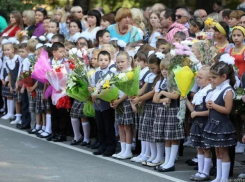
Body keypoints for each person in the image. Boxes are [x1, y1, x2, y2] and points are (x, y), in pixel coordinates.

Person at [204, 55, 237, 182]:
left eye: (214, 77)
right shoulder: (217, 89)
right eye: (211, 77)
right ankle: (218, 176)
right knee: (217, 152)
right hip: (214, 124)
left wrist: (214, 105)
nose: (211, 80)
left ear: (224, 77)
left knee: (223, 153)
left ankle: (224, 178)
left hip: (222, 125)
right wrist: (209, 106)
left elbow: (227, 110)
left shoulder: (228, 91)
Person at [131, 51, 161, 164]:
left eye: (153, 68)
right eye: (150, 68)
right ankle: (145, 153)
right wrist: (133, 93)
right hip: (146, 105)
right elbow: (143, 89)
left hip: (154, 106)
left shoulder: (159, 78)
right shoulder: (149, 75)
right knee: (145, 131)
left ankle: (154, 155)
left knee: (152, 132)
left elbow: (153, 92)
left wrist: (139, 99)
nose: (151, 70)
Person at [186, 66, 212, 181]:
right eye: (197, 77)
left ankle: (205, 172)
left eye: (200, 78)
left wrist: (196, 114)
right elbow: (193, 110)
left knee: (206, 149)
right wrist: (185, 99)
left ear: (209, 79)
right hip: (197, 124)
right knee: (199, 148)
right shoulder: (200, 91)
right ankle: (200, 171)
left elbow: (210, 112)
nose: (198, 80)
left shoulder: (210, 92)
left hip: (205, 124)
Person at [90, 50, 116, 156]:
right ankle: (102, 145)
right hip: (97, 104)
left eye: (106, 60)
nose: (103, 62)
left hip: (107, 104)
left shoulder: (112, 74)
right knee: (100, 126)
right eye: (100, 60)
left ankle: (110, 147)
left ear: (109, 61)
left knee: (108, 126)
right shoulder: (95, 74)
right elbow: (92, 86)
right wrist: (92, 92)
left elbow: (113, 88)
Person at [111, 51, 135, 159]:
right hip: (118, 101)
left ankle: (128, 150)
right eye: (118, 62)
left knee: (127, 126)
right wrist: (112, 100)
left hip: (126, 101)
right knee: (120, 125)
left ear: (129, 61)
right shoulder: (116, 74)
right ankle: (123, 149)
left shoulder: (131, 73)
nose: (120, 64)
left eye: (122, 62)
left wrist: (119, 100)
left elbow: (129, 91)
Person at [10, 43, 28, 125]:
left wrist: (23, 85)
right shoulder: (21, 59)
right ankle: (20, 118)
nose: (21, 54)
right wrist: (17, 82)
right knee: (19, 100)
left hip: (25, 84)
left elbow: (26, 74)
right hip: (20, 83)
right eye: (19, 52)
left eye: (23, 51)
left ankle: (25, 121)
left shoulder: (27, 60)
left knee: (25, 103)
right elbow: (19, 72)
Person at [1, 43, 15, 120]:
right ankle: (9, 112)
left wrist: (11, 81)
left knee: (11, 96)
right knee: (8, 96)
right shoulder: (6, 59)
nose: (6, 52)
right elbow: (5, 70)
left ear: (13, 50)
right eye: (4, 50)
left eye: (8, 50)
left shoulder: (16, 58)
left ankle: (12, 113)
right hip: (7, 80)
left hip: (13, 80)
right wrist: (3, 78)